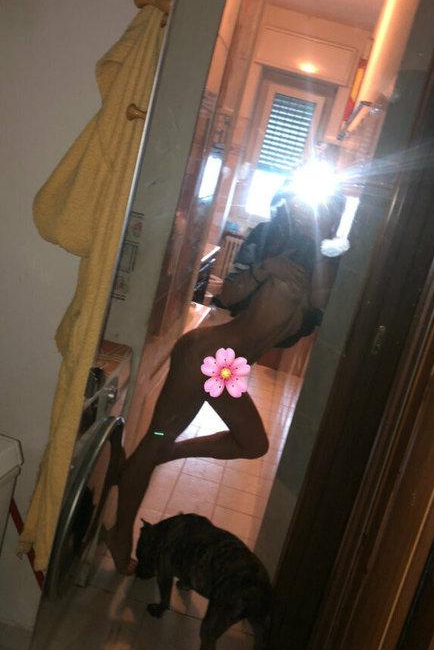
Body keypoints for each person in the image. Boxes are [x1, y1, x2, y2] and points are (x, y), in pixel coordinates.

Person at [108, 186, 346, 572]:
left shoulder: (322, 266)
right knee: (156, 436)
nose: (322, 216)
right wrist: (264, 269)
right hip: (204, 356)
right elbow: (228, 294)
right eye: (318, 209)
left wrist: (322, 242)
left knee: (253, 444)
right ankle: (120, 533)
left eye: (332, 211)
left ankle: (155, 457)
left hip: (225, 368)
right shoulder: (272, 238)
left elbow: (319, 300)